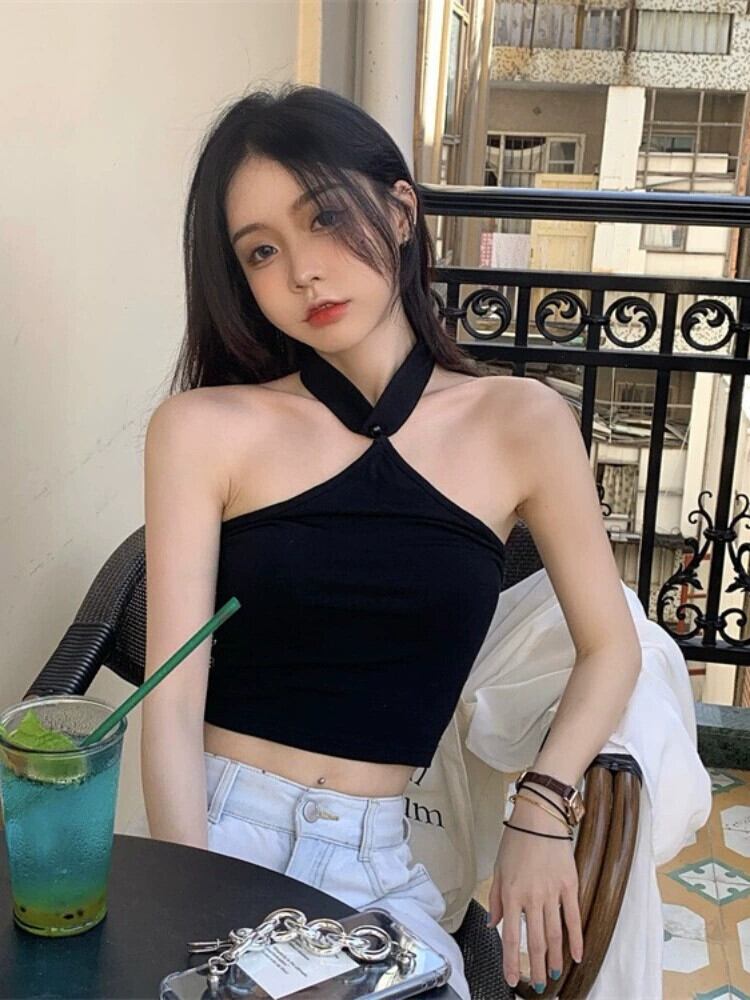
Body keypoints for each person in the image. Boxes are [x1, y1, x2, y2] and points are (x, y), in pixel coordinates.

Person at [141, 82, 642, 998]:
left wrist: (542, 807)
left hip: (378, 867)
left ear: (402, 211)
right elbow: (171, 702)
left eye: (326, 218)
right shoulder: (202, 429)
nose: (304, 271)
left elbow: (611, 646)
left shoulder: (522, 422)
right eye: (262, 250)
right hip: (217, 834)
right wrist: (192, 908)